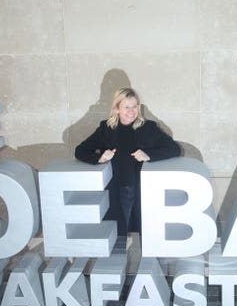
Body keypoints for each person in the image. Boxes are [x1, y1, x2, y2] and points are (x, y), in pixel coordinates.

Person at [75, 87, 181, 236]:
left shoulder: (148, 128)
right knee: (119, 235)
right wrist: (99, 158)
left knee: (149, 233)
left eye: (135, 106)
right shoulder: (106, 128)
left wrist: (148, 155)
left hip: (143, 191)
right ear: (117, 109)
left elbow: (174, 148)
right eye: (126, 107)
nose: (131, 111)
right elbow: (80, 151)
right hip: (116, 192)